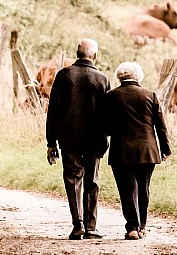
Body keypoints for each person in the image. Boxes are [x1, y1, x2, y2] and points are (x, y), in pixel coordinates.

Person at [45, 39, 111, 240]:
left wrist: (51, 142)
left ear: (76, 54)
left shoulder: (64, 75)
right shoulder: (102, 79)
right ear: (95, 56)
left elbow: (53, 111)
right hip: (95, 139)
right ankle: (91, 227)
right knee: (92, 180)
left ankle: (78, 224)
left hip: (69, 138)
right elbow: (107, 113)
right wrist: (107, 136)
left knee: (73, 179)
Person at [104, 62, 171, 240]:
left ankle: (132, 227)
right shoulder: (150, 95)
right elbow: (161, 127)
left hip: (121, 151)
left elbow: (106, 126)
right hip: (147, 150)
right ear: (138, 76)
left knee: (127, 190)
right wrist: (165, 149)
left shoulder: (111, 96)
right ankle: (142, 226)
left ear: (119, 76)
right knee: (144, 188)